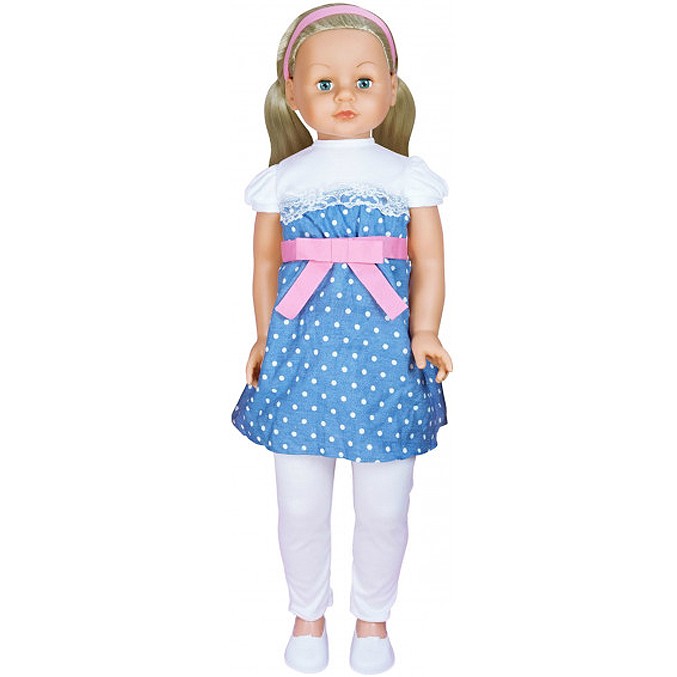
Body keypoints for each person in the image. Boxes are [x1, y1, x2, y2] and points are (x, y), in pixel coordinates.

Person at [231, 4, 453, 673]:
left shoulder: (406, 177)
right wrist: (262, 335)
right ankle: (307, 613)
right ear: (292, 92)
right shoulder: (282, 180)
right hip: (301, 358)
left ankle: (372, 618)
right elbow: (265, 262)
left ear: (391, 89)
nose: (345, 95)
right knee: (299, 506)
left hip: (385, 361)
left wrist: (426, 328)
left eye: (363, 80)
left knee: (384, 507)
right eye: (324, 83)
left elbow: (429, 260)